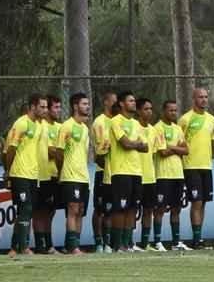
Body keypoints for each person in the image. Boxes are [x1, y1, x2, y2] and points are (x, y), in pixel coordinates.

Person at [3, 93, 48, 257]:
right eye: (42, 107)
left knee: (26, 211)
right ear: (32, 107)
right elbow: (10, 149)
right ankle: (24, 246)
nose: (45, 110)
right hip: (20, 173)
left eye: (46, 107)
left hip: (32, 174)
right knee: (25, 208)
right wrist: (8, 171)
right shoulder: (21, 123)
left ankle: (14, 247)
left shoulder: (38, 125)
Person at [107, 91, 148, 253]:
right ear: (122, 104)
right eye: (130, 101)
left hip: (136, 171)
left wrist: (134, 144)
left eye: (134, 100)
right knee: (120, 208)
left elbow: (146, 147)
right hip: (121, 171)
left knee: (132, 208)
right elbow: (125, 144)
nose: (134, 103)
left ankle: (127, 243)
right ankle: (117, 244)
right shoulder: (116, 121)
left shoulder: (137, 124)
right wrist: (135, 144)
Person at [53, 92, 92, 254]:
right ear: (75, 106)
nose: (87, 107)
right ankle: (72, 246)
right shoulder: (66, 126)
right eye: (84, 104)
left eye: (88, 104)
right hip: (70, 176)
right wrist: (62, 171)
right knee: (73, 209)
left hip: (84, 177)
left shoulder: (85, 128)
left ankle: (75, 244)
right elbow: (58, 152)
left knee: (81, 211)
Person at [178, 87, 214, 250]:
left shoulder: (212, 120)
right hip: (191, 166)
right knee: (197, 202)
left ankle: (199, 238)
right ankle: (196, 239)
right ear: (193, 99)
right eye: (200, 97)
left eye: (206, 97)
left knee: (204, 202)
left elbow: (213, 142)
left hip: (206, 166)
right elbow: (179, 142)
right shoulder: (185, 119)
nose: (204, 100)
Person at [153, 100, 189, 251]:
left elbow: (186, 150)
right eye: (171, 110)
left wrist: (171, 147)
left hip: (178, 174)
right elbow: (162, 152)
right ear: (164, 111)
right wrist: (177, 148)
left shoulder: (178, 129)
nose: (174, 113)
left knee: (176, 209)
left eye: (175, 110)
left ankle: (176, 242)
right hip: (163, 175)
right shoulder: (157, 128)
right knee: (160, 209)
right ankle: (157, 241)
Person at [33, 94, 63, 254]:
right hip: (42, 174)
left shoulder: (60, 127)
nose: (59, 110)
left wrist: (59, 153)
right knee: (39, 211)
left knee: (50, 211)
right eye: (55, 107)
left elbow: (61, 151)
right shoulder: (41, 125)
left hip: (56, 174)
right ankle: (40, 245)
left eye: (60, 107)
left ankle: (48, 244)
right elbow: (51, 151)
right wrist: (58, 152)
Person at [91, 90, 117, 253]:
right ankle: (98, 242)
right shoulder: (100, 122)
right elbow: (100, 152)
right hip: (103, 171)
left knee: (111, 209)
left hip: (117, 172)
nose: (116, 104)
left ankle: (109, 242)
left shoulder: (118, 121)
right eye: (113, 101)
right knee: (100, 209)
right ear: (106, 102)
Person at [136, 98, 160, 251]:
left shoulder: (153, 130)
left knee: (148, 210)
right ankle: (129, 243)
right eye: (146, 109)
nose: (149, 112)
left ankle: (145, 243)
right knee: (132, 210)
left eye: (151, 109)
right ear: (138, 111)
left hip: (150, 177)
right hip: (135, 175)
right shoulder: (133, 127)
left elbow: (155, 153)